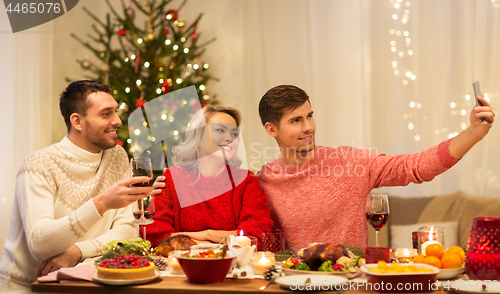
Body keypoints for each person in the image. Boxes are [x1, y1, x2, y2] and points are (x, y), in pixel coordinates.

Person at [257, 85, 495, 249]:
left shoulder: (350, 163)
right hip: (292, 286)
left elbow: (416, 167)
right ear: (271, 129)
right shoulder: (264, 182)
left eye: (309, 116)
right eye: (296, 120)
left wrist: (473, 134)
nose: (308, 127)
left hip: (350, 286)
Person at [0, 80, 157, 293]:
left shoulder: (118, 157)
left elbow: (129, 230)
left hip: (87, 282)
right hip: (30, 287)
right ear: (77, 121)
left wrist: (77, 251)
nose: (118, 120)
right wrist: (100, 204)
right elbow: (39, 244)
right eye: (106, 114)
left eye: (116, 112)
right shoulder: (38, 164)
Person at [146, 105, 273, 248]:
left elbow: (256, 236)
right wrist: (214, 242)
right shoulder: (172, 178)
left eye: (234, 134)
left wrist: (206, 234)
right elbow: (155, 234)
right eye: (220, 130)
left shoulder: (246, 181)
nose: (229, 138)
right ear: (198, 138)